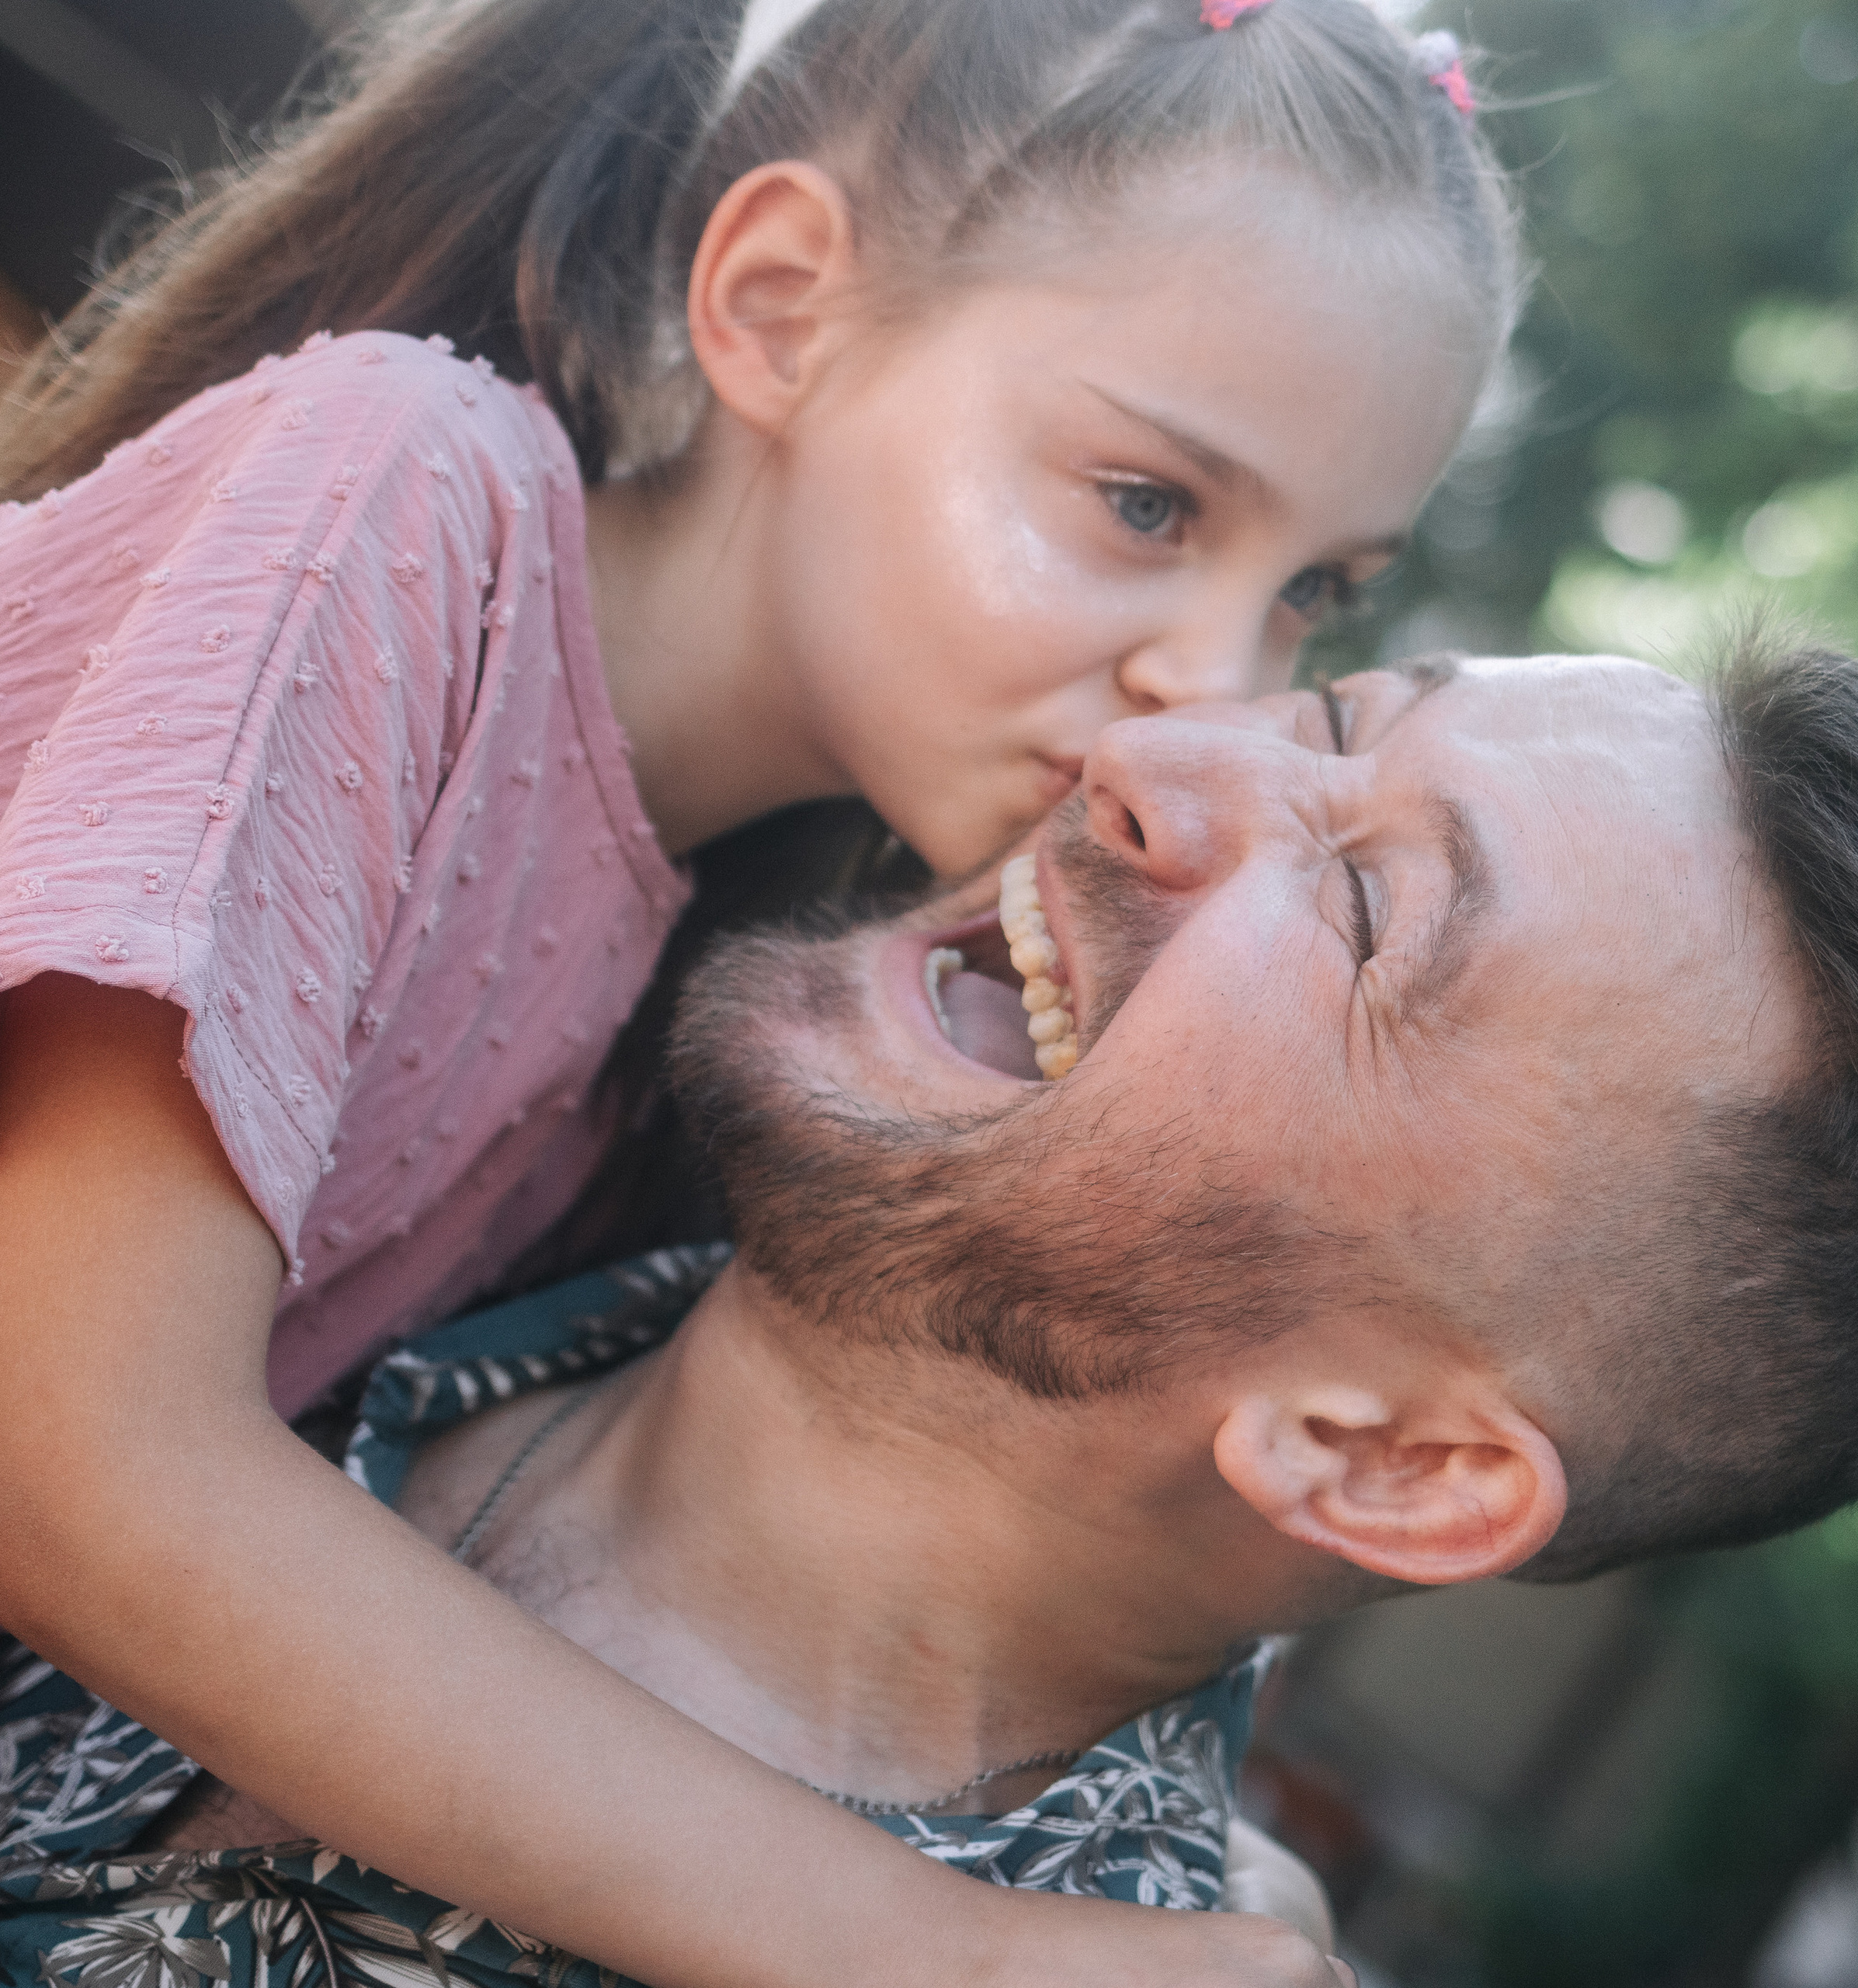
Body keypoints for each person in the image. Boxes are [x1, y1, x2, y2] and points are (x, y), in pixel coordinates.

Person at [0, 2, 1516, 1983]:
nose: (1214, 678)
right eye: (1146, 504)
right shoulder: (397, 496)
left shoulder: (728, 951)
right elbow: (73, 1454)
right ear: (783, 306)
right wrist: (939, 1947)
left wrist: (1173, 1846)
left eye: (1313, 590)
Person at [7, 631, 1858, 1988]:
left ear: (1382, 1459)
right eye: (1319, 719)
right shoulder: (425, 1072)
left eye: (1369, 911)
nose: (1143, 756)